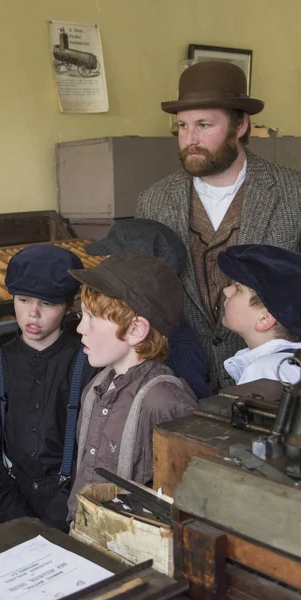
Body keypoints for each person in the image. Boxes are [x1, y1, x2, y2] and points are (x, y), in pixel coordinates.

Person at [136, 60, 301, 391]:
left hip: (275, 386)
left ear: (241, 126)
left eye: (204, 125)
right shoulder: (152, 202)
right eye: (182, 126)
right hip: (182, 381)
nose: (190, 138)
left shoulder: (292, 193)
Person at [0, 245, 97, 531]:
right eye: (24, 300)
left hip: (75, 507)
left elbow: (94, 455)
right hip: (12, 506)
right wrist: (20, 521)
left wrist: (57, 520)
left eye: (48, 303)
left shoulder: (89, 364)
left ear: (68, 306)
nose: (33, 314)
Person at [66, 253, 197, 522]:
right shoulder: (96, 388)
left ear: (136, 330)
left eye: (92, 318)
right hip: (86, 532)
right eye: (82, 315)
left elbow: (185, 501)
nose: (80, 327)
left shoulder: (165, 402)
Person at [85, 218, 210, 398]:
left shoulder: (179, 347)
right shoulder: (116, 329)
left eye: (112, 261)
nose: (103, 268)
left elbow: (190, 417)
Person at [218, 244, 301, 385]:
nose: (226, 291)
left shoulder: (266, 371)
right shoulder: (288, 365)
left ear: (264, 319)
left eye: (238, 289)